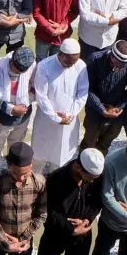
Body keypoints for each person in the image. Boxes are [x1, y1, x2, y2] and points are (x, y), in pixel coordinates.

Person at [32, 148, 105, 255]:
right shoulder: (55, 179)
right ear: (79, 167)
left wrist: (88, 220)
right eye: (89, 177)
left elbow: (97, 201)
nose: (92, 181)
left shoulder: (95, 178)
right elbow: (48, 211)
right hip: (57, 232)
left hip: (84, 230)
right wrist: (70, 228)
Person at [32, 38, 89, 172]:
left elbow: (82, 92)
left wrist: (70, 114)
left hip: (69, 119)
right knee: (39, 155)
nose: (70, 65)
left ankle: (54, 179)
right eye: (68, 61)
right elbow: (41, 96)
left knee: (61, 157)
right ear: (61, 54)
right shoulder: (44, 66)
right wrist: (55, 117)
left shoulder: (80, 66)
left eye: (74, 62)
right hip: (46, 119)